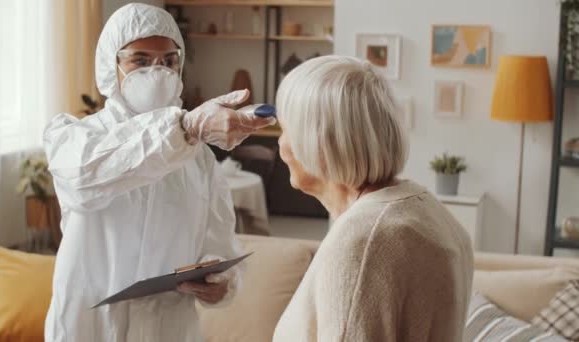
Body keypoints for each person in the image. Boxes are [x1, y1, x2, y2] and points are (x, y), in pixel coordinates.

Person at [43, 3, 275, 341]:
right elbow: (88, 176)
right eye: (140, 60)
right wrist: (185, 127)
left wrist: (219, 281)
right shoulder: (75, 137)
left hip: (169, 328)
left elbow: (221, 243)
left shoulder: (198, 159)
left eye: (169, 61)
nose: (157, 71)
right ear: (112, 65)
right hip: (91, 326)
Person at [272, 56, 474, 341]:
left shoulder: (361, 241)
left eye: (285, 129)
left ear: (319, 143)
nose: (280, 144)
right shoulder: (426, 210)